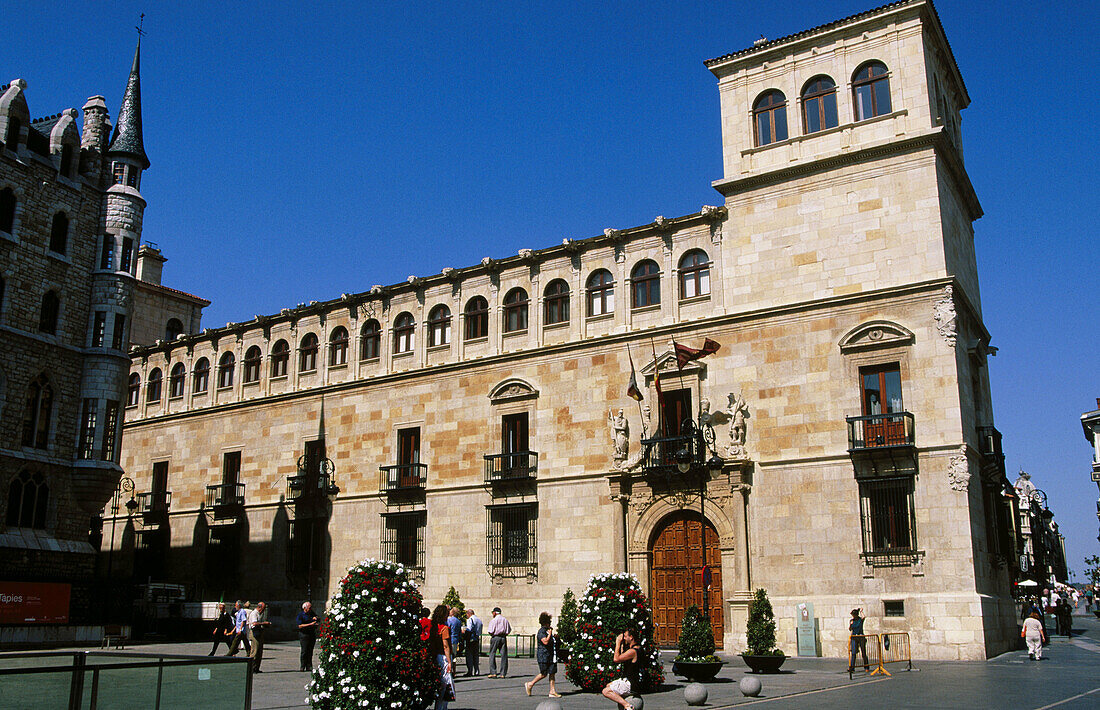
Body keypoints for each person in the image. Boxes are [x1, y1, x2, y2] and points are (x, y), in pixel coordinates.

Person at [601, 625, 641, 710]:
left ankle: (627, 705)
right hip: (630, 679)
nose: (625, 638)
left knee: (606, 691)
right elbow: (623, 656)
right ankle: (623, 703)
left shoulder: (633, 651)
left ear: (631, 637)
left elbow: (616, 659)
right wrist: (622, 645)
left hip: (630, 683)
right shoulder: (636, 648)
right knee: (609, 685)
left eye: (626, 636)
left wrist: (617, 643)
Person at [525, 612, 562, 698]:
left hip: (552, 656)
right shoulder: (541, 631)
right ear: (545, 623)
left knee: (552, 672)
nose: (550, 624)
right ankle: (530, 684)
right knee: (543, 673)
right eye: (549, 622)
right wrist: (549, 635)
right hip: (544, 656)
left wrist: (555, 637)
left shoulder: (547, 631)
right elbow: (545, 641)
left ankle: (552, 691)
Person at [427, 604, 455, 710]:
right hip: (443, 657)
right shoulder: (444, 628)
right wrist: (449, 661)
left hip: (435, 655)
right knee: (445, 683)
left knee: (440, 683)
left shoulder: (433, 626)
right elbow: (446, 646)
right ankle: (441, 707)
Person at [485, 606, 512, 678]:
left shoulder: (493, 620)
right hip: (503, 637)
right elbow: (509, 630)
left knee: (492, 654)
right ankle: (503, 673)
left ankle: (493, 672)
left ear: (494, 613)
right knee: (504, 655)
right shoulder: (505, 620)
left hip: (495, 637)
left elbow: (490, 631)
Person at [247, 601, 271, 672]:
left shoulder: (261, 613)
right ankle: (251, 668)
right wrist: (264, 623)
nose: (263, 610)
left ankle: (256, 668)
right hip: (254, 632)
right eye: (263, 608)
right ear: (259, 607)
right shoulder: (254, 613)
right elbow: (254, 623)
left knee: (259, 651)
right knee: (255, 651)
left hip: (260, 632)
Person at [297, 601, 320, 672]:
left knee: (310, 650)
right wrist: (310, 624)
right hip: (304, 634)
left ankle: (309, 665)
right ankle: (302, 665)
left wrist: (316, 619)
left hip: (311, 634)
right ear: (305, 608)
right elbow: (300, 626)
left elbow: (317, 618)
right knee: (304, 650)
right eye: (309, 608)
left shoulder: (312, 613)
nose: (310, 609)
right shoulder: (301, 615)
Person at [847, 608, 869, 673]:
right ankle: (852, 667)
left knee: (863, 653)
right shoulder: (852, 620)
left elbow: (864, 617)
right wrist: (850, 624)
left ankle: (866, 666)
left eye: (854, 615)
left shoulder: (860, 620)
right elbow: (850, 629)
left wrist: (861, 611)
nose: (853, 616)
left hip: (860, 636)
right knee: (853, 653)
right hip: (854, 637)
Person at [464, 609, 483, 676]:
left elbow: (469, 629)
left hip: (471, 640)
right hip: (477, 639)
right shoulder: (479, 620)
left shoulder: (470, 620)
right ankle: (477, 671)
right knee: (476, 656)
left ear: (469, 614)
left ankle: (470, 671)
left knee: (469, 656)